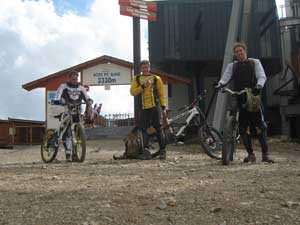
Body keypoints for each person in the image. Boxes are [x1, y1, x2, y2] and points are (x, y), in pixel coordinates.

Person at [216, 42, 274, 163]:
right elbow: (225, 78)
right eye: (236, 52)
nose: (239, 53)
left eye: (240, 51)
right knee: (243, 128)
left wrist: (259, 86)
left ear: (245, 51)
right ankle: (250, 154)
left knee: (259, 126)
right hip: (239, 96)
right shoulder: (232, 66)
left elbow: (261, 76)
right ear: (234, 54)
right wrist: (220, 85)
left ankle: (265, 154)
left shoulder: (254, 62)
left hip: (252, 97)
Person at [130, 60, 167, 160]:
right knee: (143, 129)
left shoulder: (156, 79)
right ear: (141, 69)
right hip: (143, 108)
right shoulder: (136, 79)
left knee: (158, 128)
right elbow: (132, 92)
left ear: (149, 68)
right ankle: (146, 151)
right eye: (143, 68)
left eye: (146, 67)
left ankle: (163, 151)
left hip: (155, 107)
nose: (145, 69)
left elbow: (161, 94)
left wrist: (163, 107)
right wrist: (143, 86)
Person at [55, 70, 92, 161]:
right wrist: (57, 100)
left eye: (76, 79)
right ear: (69, 79)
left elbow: (87, 97)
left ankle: (75, 154)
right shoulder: (63, 87)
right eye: (73, 79)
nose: (75, 81)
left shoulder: (81, 88)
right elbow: (57, 95)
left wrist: (89, 102)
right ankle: (68, 152)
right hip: (67, 111)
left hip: (78, 112)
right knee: (66, 132)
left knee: (77, 133)